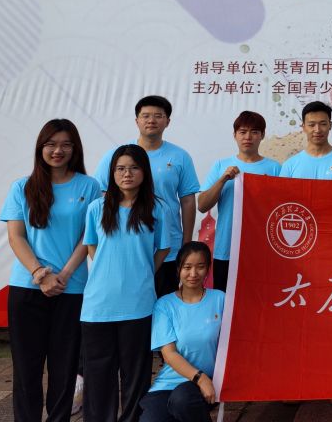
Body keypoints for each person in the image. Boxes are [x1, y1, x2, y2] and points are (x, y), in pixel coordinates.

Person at [0, 119, 102, 422]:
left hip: (71, 289)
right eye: (51, 144)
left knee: (64, 368)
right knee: (26, 370)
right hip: (27, 289)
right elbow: (16, 236)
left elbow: (88, 236)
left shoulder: (89, 186)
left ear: (75, 149)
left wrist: (64, 275)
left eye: (66, 145)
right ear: (40, 147)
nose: (58, 151)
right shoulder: (22, 187)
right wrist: (40, 274)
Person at [82, 144, 170, 422]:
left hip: (138, 304)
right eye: (120, 168)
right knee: (98, 374)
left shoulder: (157, 208)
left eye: (133, 168)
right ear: (112, 173)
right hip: (98, 305)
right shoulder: (97, 208)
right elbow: (92, 248)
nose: (127, 174)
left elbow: (163, 248)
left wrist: (142, 272)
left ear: (144, 172)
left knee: (136, 374)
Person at [97, 96, 199, 297]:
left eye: (158, 116)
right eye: (145, 116)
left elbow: (187, 201)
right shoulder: (117, 156)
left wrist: (186, 244)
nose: (151, 120)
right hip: (126, 247)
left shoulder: (180, 156)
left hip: (168, 248)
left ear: (167, 121)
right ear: (137, 121)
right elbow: (103, 196)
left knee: (163, 303)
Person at [139, 241, 225, 422]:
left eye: (200, 267)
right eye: (187, 267)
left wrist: (205, 380)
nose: (193, 273)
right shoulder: (164, 305)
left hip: (206, 384)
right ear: (178, 269)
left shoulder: (220, 299)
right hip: (169, 384)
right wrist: (200, 378)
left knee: (182, 401)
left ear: (208, 269)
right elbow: (169, 354)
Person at [198, 111, 281, 291]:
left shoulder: (275, 168)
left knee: (258, 301)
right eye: (242, 132)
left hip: (261, 249)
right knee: (225, 301)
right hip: (226, 248)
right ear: (234, 135)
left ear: (262, 135)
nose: (248, 137)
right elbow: (202, 205)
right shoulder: (221, 166)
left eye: (254, 132)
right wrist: (222, 180)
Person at [279, 101, 332, 180]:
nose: (317, 130)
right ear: (303, 127)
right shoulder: (290, 165)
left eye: (323, 124)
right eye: (311, 125)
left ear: (330, 125)